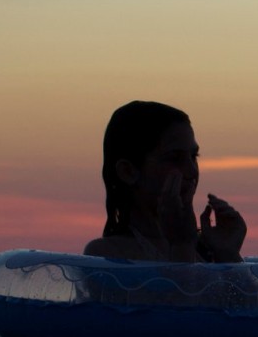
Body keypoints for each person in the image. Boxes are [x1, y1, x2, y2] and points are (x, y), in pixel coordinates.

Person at [84, 101, 247, 262]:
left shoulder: (207, 250)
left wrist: (228, 254)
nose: (191, 172)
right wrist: (181, 245)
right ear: (128, 172)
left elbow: (245, 291)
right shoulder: (106, 255)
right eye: (174, 158)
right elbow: (184, 289)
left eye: (193, 157)